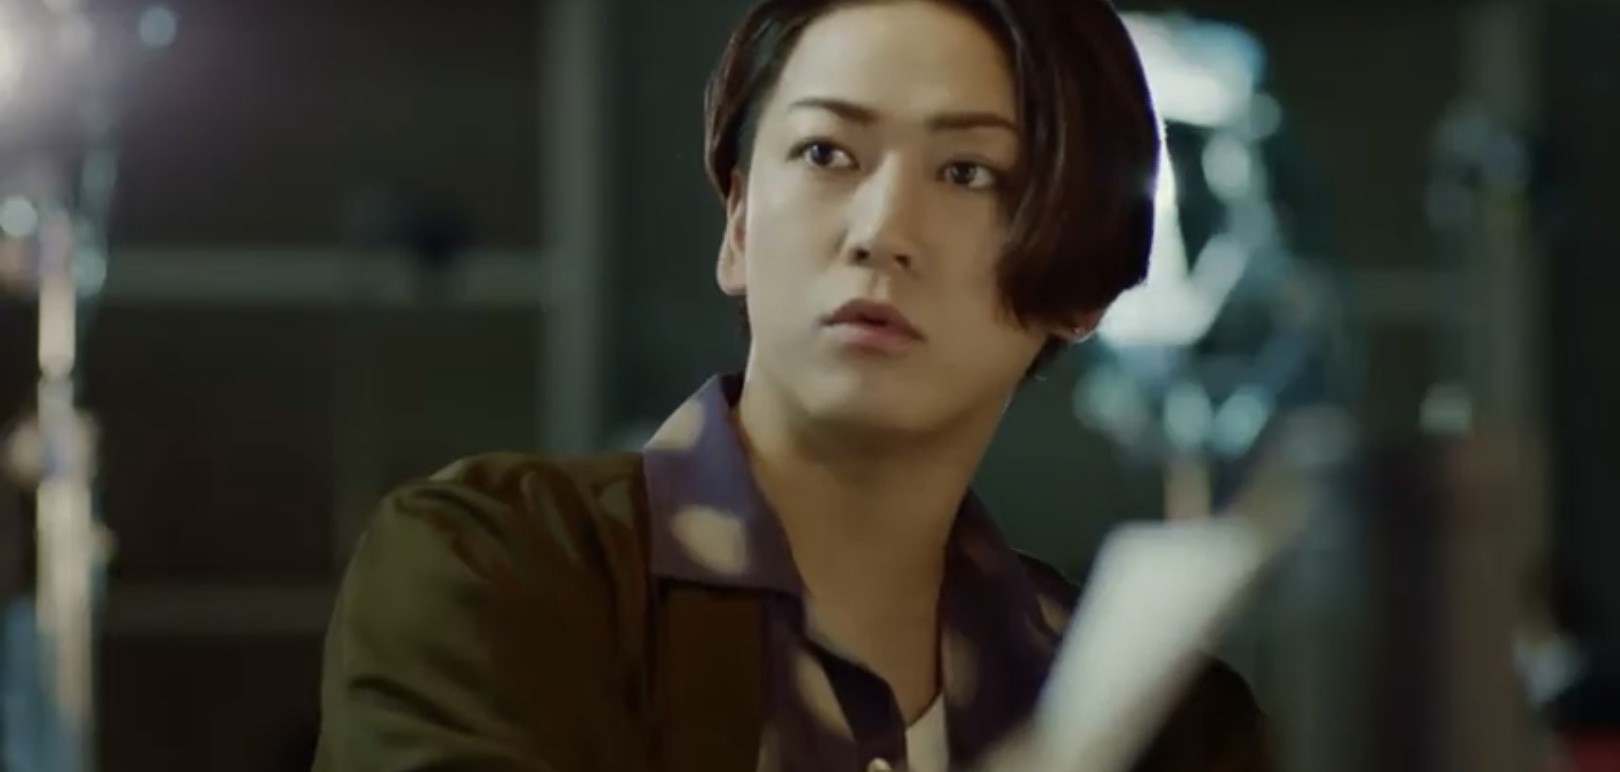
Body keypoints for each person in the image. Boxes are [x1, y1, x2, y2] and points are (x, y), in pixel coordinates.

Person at [311, 0, 1274, 770]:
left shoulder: (1168, 725)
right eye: (826, 154)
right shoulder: (503, 575)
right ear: (738, 224)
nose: (880, 230)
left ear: (1081, 285)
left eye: (968, 173)